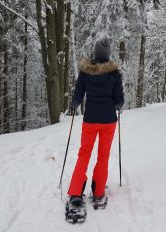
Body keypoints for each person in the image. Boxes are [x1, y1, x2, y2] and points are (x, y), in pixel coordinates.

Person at [67, 34, 124, 206]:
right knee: (103, 156)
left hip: (91, 119)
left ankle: (76, 192)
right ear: (107, 53)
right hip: (108, 121)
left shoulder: (86, 71)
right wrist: (118, 105)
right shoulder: (114, 73)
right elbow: (119, 100)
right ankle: (99, 192)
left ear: (95, 51)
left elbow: (78, 93)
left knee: (84, 154)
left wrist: (74, 104)